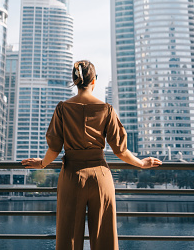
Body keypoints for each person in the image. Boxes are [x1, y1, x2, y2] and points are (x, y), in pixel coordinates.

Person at [22, 59, 162, 250]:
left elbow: (54, 148)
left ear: (75, 81)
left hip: (71, 176)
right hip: (101, 177)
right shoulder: (106, 109)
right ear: (94, 81)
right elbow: (120, 150)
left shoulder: (62, 108)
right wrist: (141, 163)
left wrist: (42, 163)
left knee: (68, 239)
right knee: (105, 239)